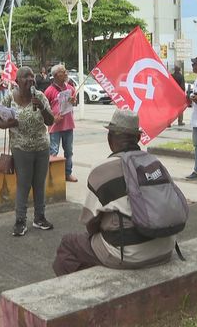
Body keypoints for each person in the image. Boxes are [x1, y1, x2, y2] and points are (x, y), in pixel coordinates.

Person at [52, 109, 176, 276]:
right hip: (166, 247)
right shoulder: (155, 163)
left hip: (128, 255)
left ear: (109, 138)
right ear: (138, 138)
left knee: (69, 244)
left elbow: (90, 223)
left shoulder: (102, 170)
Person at [0, 66, 55, 236]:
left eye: (31, 77)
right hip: (21, 149)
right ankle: (20, 221)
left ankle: (39, 218)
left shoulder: (40, 97)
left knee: (39, 184)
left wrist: (42, 107)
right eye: (25, 77)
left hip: (41, 147)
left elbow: (50, 121)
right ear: (17, 81)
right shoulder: (9, 98)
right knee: (24, 184)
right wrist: (8, 124)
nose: (30, 79)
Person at [44, 65, 78, 182]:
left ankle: (68, 173)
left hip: (68, 124)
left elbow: (74, 103)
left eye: (65, 71)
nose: (65, 73)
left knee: (68, 151)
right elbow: (44, 109)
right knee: (53, 151)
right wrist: (53, 118)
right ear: (55, 75)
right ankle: (51, 175)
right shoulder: (49, 91)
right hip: (55, 126)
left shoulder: (70, 88)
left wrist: (74, 101)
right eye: (62, 72)